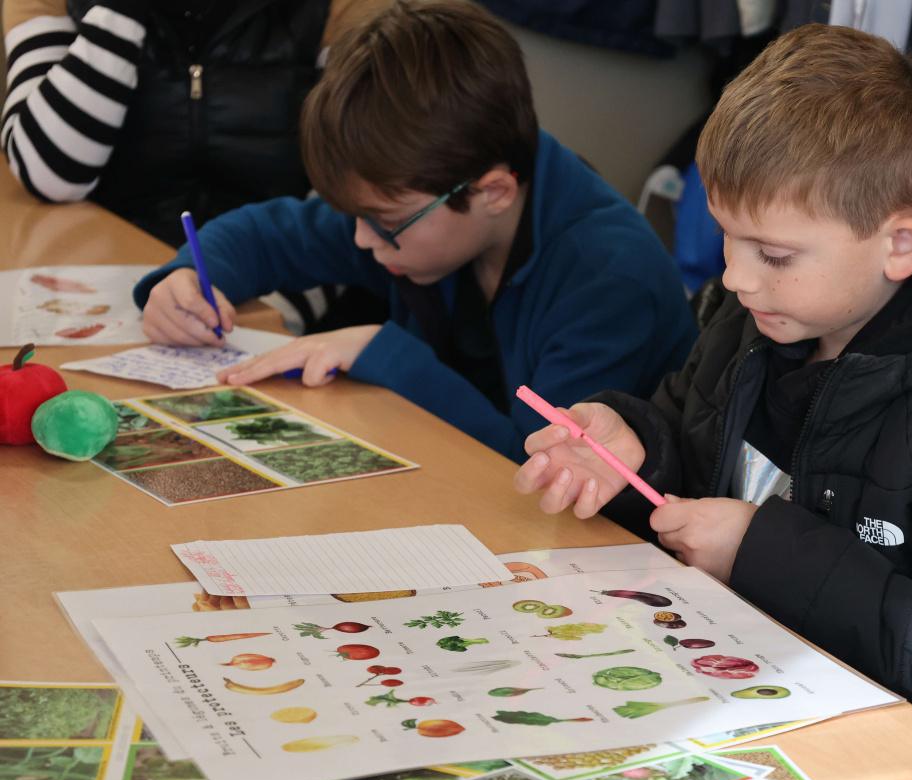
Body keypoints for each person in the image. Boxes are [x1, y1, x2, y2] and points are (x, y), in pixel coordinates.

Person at [514, 24, 912, 780]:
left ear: (899, 247)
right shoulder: (760, 324)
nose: (735, 277)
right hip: (763, 705)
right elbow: (692, 453)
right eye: (727, 238)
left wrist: (761, 551)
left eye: (773, 254)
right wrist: (634, 452)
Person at [131, 0, 696, 462]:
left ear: (493, 192)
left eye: (386, 224)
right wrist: (186, 276)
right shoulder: (423, 191)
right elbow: (268, 235)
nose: (361, 240)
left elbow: (537, 465)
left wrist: (386, 354)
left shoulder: (610, 279)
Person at [2, 0, 390, 330]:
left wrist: (267, 319)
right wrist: (118, 12)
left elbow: (359, 200)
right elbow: (50, 175)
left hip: (284, 289)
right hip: (113, 288)